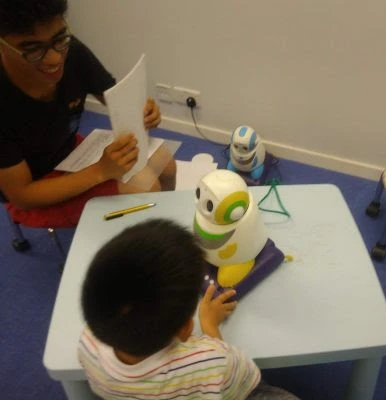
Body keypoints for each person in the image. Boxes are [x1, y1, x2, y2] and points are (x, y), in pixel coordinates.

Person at [78, 218, 300, 399]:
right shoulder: (209, 360)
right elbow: (238, 373)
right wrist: (210, 325)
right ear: (186, 328)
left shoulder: (87, 343)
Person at [0, 0, 176, 228]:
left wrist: (141, 110)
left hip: (69, 152)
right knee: (145, 186)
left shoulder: (71, 52)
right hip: (33, 187)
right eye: (33, 50)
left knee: (165, 163)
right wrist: (99, 172)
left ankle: (164, 233)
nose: (55, 59)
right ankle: (147, 241)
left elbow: (114, 97)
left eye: (59, 38)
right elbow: (22, 197)